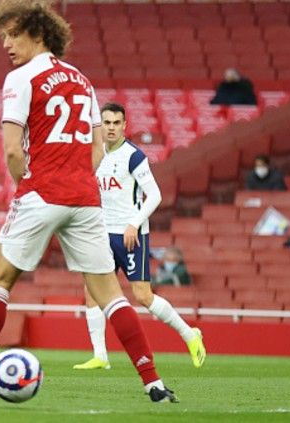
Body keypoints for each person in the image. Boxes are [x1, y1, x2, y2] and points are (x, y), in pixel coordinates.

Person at [0, 1, 177, 403]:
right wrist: (77, 181)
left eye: (12, 34)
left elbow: (12, 152)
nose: (6, 43)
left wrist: (29, 183)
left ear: (37, 33)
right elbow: (96, 149)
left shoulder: (21, 78)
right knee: (110, 293)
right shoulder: (83, 81)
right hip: (86, 198)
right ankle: (155, 384)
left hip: (42, 192)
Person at [73, 103, 204, 372]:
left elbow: (155, 195)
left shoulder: (133, 156)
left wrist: (133, 224)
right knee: (91, 291)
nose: (110, 128)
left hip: (131, 235)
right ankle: (101, 356)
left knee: (143, 296)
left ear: (124, 125)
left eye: (115, 123)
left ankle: (190, 335)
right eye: (106, 122)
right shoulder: (94, 154)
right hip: (102, 233)